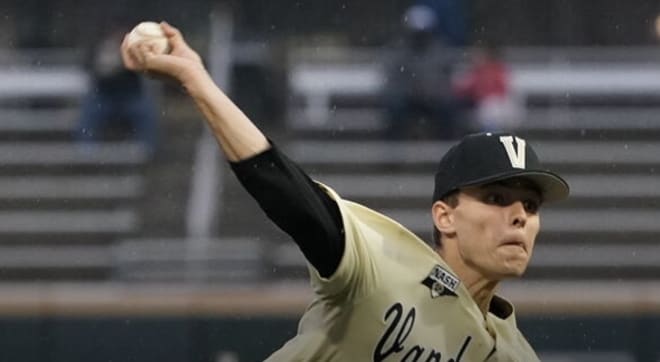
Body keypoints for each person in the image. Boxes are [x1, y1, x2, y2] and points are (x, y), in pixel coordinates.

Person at [122, 22, 570, 361]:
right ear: (444, 216)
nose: (518, 216)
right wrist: (197, 82)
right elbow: (283, 190)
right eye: (495, 199)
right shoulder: (381, 261)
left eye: (530, 206)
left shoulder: (516, 354)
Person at [76, 28, 158, 156]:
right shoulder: (97, 50)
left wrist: (122, 66)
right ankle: (86, 151)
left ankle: (146, 150)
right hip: (104, 98)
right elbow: (90, 69)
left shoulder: (133, 51)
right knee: (88, 115)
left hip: (130, 97)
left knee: (146, 113)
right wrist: (101, 67)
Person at [383, 5, 459, 140]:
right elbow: (394, 80)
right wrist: (410, 90)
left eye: (423, 33)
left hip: (433, 99)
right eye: (416, 33)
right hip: (407, 100)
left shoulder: (440, 50)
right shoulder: (398, 50)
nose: (420, 37)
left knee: (448, 112)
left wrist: (431, 91)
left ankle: (447, 150)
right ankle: (394, 154)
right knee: (394, 111)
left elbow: (445, 79)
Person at [453, 45, 523, 133]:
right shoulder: (475, 72)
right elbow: (462, 90)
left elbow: (506, 88)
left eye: (478, 56)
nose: (476, 59)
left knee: (493, 110)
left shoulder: (497, 69)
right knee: (488, 111)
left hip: (500, 103)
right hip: (486, 105)